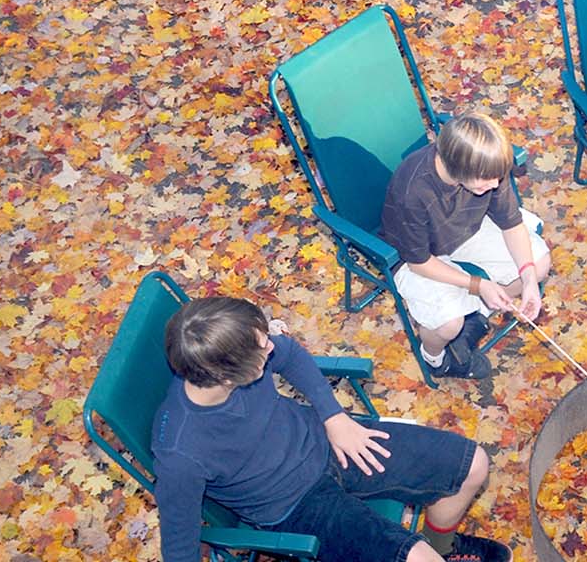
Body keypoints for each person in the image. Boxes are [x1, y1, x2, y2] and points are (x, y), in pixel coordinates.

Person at [151, 297, 509, 562]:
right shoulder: (181, 453)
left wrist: (333, 417)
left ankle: (443, 547)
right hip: (295, 505)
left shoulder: (234, 356)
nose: (272, 345)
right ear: (229, 376)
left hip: (329, 443)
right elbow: (179, 542)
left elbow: (289, 356)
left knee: (473, 465)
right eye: (263, 349)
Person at [380, 112, 551, 379]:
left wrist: (529, 280)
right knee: (448, 324)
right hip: (417, 259)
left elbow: (511, 223)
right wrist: (478, 284)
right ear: (457, 170)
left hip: (466, 229)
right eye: (487, 180)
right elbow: (419, 262)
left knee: (538, 263)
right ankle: (437, 360)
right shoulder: (413, 191)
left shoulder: (486, 167)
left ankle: (477, 313)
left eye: (497, 178)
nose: (495, 184)